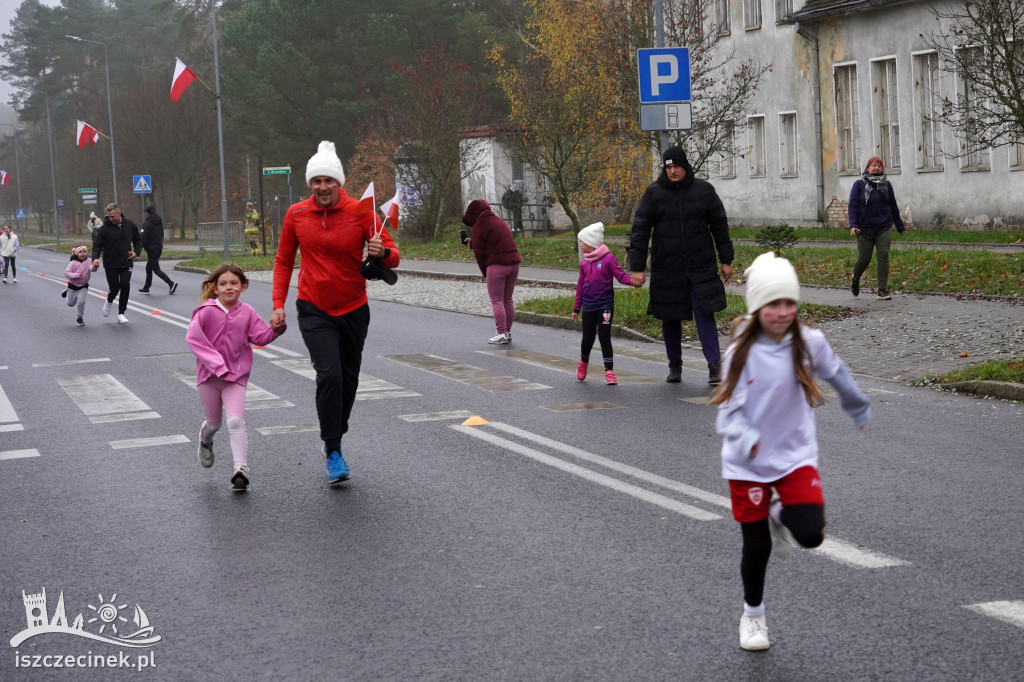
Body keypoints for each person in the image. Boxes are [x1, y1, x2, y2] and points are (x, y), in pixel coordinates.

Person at [709, 252, 871, 652]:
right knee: (757, 545)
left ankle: (778, 513)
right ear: (757, 306)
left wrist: (857, 405)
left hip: (794, 457)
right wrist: (749, 440)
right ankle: (753, 617)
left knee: (811, 535)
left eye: (789, 303)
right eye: (773, 304)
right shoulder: (739, 355)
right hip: (747, 464)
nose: (783, 312)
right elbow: (726, 417)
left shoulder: (808, 342)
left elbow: (838, 374)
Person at [270, 140, 399, 485]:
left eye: (329, 181)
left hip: (354, 308)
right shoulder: (296, 214)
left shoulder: (361, 211)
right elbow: (283, 261)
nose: (323, 187)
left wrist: (382, 251)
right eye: (317, 181)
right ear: (309, 184)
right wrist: (278, 304)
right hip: (314, 307)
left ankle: (336, 432)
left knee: (349, 378)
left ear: (339, 183)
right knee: (329, 376)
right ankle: (333, 449)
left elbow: (393, 253)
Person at [629, 146, 734, 385]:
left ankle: (715, 365)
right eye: (668, 167)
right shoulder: (654, 194)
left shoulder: (704, 191)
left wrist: (726, 260)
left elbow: (720, 226)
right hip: (667, 267)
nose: (673, 171)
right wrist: (637, 268)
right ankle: (674, 365)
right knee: (670, 316)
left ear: (685, 167)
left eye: (677, 166)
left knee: (704, 312)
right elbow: (640, 230)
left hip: (700, 266)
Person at [187, 264, 286, 490]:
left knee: (235, 421)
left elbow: (259, 336)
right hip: (209, 377)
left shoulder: (247, 312)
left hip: (235, 377)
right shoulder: (205, 312)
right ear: (215, 288)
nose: (228, 287)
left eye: (234, 283)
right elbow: (194, 340)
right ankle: (205, 441)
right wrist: (217, 365)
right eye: (223, 284)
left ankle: (240, 469)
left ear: (243, 287)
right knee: (214, 423)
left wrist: (276, 329)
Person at [571, 222, 635, 385]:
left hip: (605, 305)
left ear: (591, 243)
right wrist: (576, 308)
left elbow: (621, 276)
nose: (580, 245)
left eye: (582, 242)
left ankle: (609, 371)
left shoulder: (608, 259)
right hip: (589, 306)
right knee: (588, 338)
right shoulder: (584, 263)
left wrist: (634, 281)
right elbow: (580, 286)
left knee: (605, 337)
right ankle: (583, 363)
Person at [462, 198, 522, 345]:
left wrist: (485, 272)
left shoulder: (480, 224)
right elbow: (489, 241)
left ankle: (500, 333)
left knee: (496, 300)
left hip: (497, 265)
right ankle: (507, 332)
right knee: (507, 299)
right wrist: (473, 242)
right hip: (514, 263)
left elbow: (480, 253)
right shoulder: (497, 220)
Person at [848, 156, 906, 300]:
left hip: (884, 226)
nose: (876, 168)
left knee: (883, 256)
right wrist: (853, 225)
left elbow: (892, 205)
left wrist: (899, 226)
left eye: (879, 166)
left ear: (882, 169)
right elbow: (853, 206)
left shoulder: (887, 184)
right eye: (873, 165)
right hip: (864, 227)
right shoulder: (859, 185)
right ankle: (855, 279)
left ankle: (882, 290)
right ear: (867, 168)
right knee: (864, 259)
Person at [91, 203, 142, 324]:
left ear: (119, 213)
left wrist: (136, 252)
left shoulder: (130, 225)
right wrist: (95, 258)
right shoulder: (104, 229)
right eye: (108, 216)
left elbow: (138, 240)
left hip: (126, 262)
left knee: (125, 285)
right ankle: (109, 301)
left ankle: (121, 313)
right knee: (114, 288)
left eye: (113, 216)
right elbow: (97, 246)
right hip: (110, 263)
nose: (110, 219)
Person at [138, 206, 178, 295]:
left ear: (148, 213)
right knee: (149, 267)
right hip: (158, 247)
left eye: (146, 212)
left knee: (155, 269)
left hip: (151, 249)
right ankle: (146, 288)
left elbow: (143, 238)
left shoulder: (147, 223)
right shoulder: (159, 222)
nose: (145, 214)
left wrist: (138, 250)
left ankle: (171, 283)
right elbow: (161, 234)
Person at [63, 244, 98, 326]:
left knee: (81, 302)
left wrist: (95, 266)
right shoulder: (73, 263)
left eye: (84, 252)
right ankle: (66, 292)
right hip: (72, 286)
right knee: (70, 304)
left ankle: (80, 318)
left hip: (83, 286)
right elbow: (67, 273)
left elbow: (92, 269)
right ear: (76, 254)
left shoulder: (89, 261)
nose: (83, 254)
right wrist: (76, 275)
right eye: (80, 252)